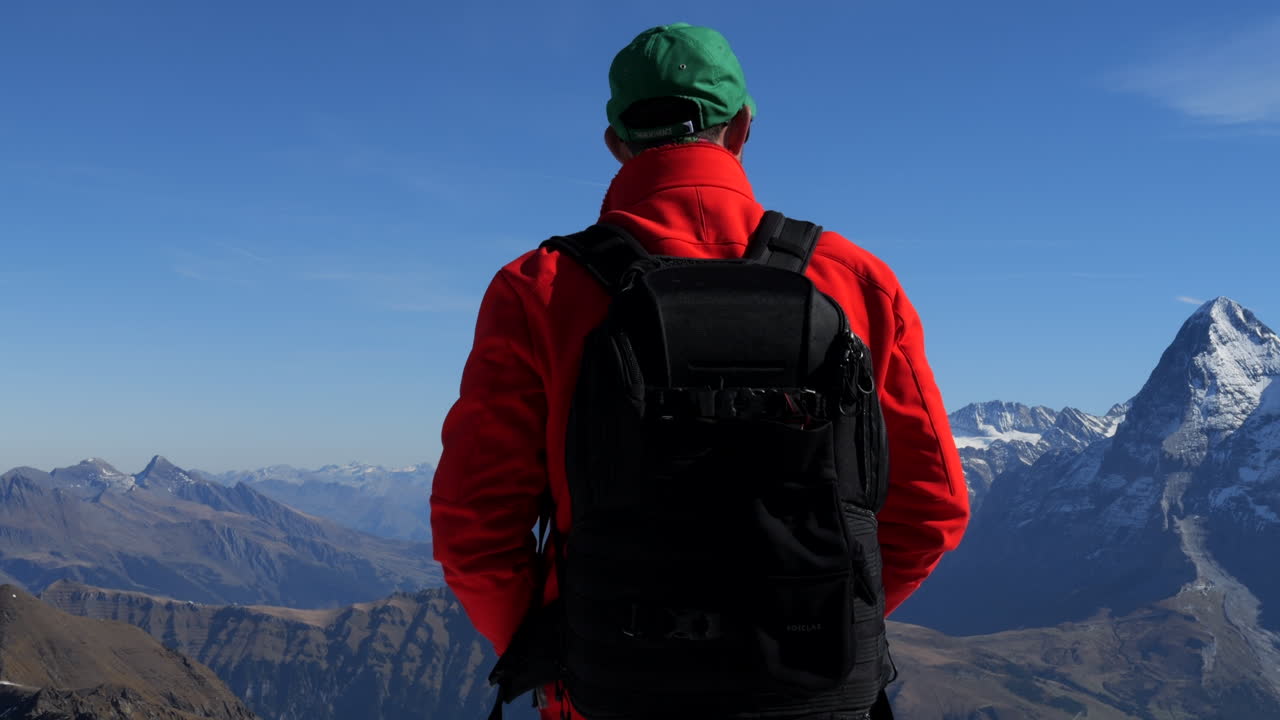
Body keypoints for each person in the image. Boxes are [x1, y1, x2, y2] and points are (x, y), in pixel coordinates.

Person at [431, 22, 970, 720]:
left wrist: (564, 651)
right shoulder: (856, 282)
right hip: (812, 695)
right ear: (742, 127)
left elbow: (474, 531)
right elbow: (933, 508)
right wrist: (826, 622)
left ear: (615, 142)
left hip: (611, 694)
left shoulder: (539, 289)